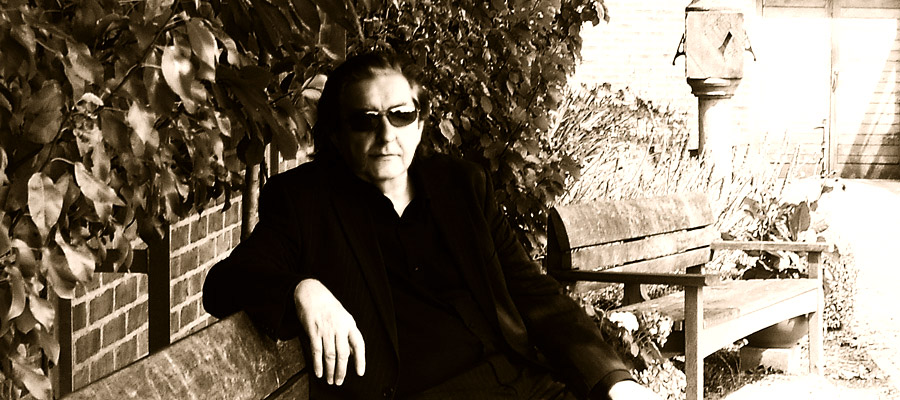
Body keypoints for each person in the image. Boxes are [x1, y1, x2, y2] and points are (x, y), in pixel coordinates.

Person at [202, 50, 661, 400]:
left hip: (523, 386)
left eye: (401, 115)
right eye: (365, 121)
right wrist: (301, 289)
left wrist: (613, 380)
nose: (387, 135)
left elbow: (534, 294)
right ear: (337, 136)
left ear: (420, 125)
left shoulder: (462, 186)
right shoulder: (306, 202)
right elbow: (224, 285)